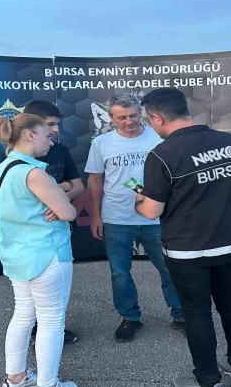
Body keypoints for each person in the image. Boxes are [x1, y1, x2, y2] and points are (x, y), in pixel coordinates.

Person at [135, 88, 231, 387]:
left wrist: (139, 198)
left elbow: (151, 211)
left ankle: (207, 379)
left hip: (188, 250)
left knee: (197, 312)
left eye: (149, 121)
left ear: (157, 118)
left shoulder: (162, 155)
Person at [84, 94, 184, 342]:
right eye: (121, 117)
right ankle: (130, 317)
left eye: (132, 115)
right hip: (117, 218)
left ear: (141, 113)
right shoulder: (101, 143)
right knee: (120, 273)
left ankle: (181, 316)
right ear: (111, 118)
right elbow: (95, 179)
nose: (128, 121)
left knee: (170, 268)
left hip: (157, 218)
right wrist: (96, 214)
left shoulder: (158, 137)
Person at [0, 114, 78, 387]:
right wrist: (61, 199)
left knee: (23, 315)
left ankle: (16, 378)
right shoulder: (35, 173)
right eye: (47, 135)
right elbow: (69, 212)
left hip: (19, 255)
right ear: (30, 135)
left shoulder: (5, 167)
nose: (51, 141)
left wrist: (57, 199)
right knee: (51, 321)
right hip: (47, 254)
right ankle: (48, 383)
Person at [23, 100, 85, 345]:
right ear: (31, 128)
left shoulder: (60, 150)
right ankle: (34, 331)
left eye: (57, 124)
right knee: (29, 292)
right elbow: (17, 196)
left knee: (56, 284)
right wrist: (61, 190)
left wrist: (60, 200)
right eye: (50, 125)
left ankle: (50, 329)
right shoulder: (13, 157)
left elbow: (78, 186)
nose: (56, 130)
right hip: (31, 234)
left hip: (58, 229)